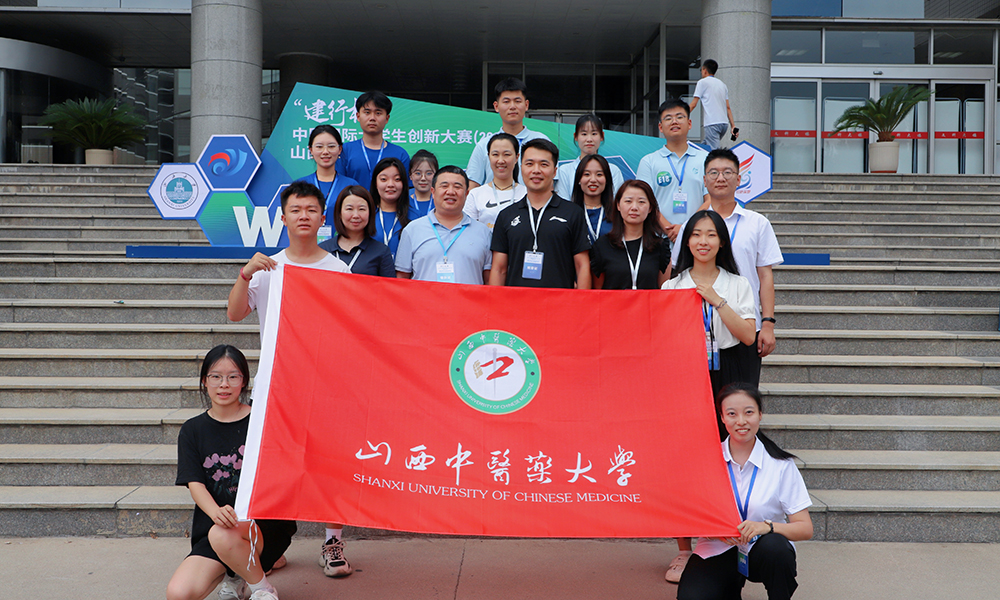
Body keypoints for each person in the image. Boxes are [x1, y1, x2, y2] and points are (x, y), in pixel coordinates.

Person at [225, 181, 354, 580]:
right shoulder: (268, 268)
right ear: (282, 218)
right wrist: (245, 274)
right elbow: (234, 314)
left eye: (311, 210)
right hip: (277, 386)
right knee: (275, 465)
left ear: (322, 218)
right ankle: (275, 543)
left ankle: (332, 542)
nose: (303, 216)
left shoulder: (338, 270)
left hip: (326, 385)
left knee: (330, 464)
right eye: (296, 210)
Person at [660, 208, 758, 583]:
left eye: (711, 234)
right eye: (696, 234)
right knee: (683, 461)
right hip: (684, 374)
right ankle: (684, 550)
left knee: (728, 457)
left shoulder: (738, 284)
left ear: (721, 242)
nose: (703, 241)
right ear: (687, 242)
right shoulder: (671, 287)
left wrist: (716, 300)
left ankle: (725, 542)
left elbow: (747, 336)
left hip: (727, 374)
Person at [166, 345, 296, 600]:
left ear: (244, 381)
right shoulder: (192, 430)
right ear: (204, 381)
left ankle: (262, 590)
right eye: (216, 376)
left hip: (262, 526)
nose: (224, 384)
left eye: (233, 376)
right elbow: (195, 484)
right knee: (178, 594)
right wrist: (216, 512)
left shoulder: (262, 421)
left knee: (223, 535)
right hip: (216, 525)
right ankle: (235, 575)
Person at [676, 383, 813, 600]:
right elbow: (683, 516)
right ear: (722, 417)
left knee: (777, 548)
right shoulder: (705, 461)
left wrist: (766, 527)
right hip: (717, 548)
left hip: (762, 550)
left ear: (760, 414)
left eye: (748, 412)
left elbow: (805, 528)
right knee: (692, 596)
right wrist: (710, 529)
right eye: (732, 414)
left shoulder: (781, 465)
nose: (741, 421)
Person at [672, 148, 783, 387]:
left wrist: (767, 323)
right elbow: (677, 270)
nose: (720, 178)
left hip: (744, 325)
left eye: (727, 172)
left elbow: (765, 277)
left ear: (739, 179)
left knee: (741, 396)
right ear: (704, 180)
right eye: (713, 173)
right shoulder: (690, 226)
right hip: (695, 331)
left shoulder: (757, 223)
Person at [489, 138, 591, 289]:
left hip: (559, 302)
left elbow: (582, 266)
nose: (536, 170)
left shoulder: (573, 213)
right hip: (516, 302)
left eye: (544, 164)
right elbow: (499, 269)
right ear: (521, 168)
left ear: (554, 171)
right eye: (529, 164)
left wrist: (582, 301)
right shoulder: (506, 215)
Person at [396, 166, 492, 284]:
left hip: (469, 297)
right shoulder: (412, 230)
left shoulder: (483, 232)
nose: (450, 192)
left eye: (457, 187)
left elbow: (489, 280)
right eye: (444, 186)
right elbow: (402, 278)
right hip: (424, 297)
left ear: (466, 193)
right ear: (433, 192)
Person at [637, 99, 710, 243]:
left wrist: (686, 228)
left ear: (689, 123)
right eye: (668, 118)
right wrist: (669, 230)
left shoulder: (705, 159)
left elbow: (710, 199)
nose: (674, 121)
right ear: (660, 127)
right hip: (659, 239)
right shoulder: (648, 162)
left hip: (697, 238)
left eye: (679, 117)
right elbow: (644, 201)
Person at [466, 78, 550, 188]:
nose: (512, 106)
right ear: (496, 106)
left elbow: (551, 183)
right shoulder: (484, 145)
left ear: (526, 105)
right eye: (506, 102)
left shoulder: (541, 141)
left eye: (517, 101)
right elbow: (473, 185)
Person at [590, 180, 671, 289]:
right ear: (618, 205)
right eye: (628, 201)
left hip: (649, 301)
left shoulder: (660, 246)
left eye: (641, 202)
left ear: (650, 208)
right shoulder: (603, 245)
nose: (634, 207)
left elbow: (664, 291)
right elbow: (598, 292)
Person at [339, 91, 410, 189]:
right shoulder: (345, 151)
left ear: (387, 118)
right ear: (358, 116)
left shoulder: (400, 154)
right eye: (367, 112)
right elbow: (339, 185)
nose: (372, 118)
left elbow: (406, 189)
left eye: (378, 113)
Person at [319, 186, 395, 277]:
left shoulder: (381, 251)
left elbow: (389, 285)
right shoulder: (322, 250)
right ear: (339, 213)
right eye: (349, 209)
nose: (355, 215)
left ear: (370, 213)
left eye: (361, 209)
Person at [295, 124, 359, 229]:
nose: (325, 152)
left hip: (342, 239)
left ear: (340, 149)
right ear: (311, 150)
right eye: (319, 147)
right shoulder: (300, 185)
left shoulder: (351, 185)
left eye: (331, 146)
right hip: (308, 239)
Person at [463, 132, 525, 230]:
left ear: (517, 157)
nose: (500, 160)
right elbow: (468, 231)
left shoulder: (526, 193)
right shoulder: (475, 195)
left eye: (507, 154)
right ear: (489, 156)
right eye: (495, 154)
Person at [554, 114, 624, 199]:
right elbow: (563, 203)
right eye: (584, 134)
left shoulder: (613, 170)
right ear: (576, 136)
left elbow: (616, 201)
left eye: (594, 134)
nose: (589, 139)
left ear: (602, 136)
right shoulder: (564, 171)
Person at [690, 59, 737, 150]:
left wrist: (682, 115)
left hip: (712, 123)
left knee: (714, 152)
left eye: (701, 70)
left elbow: (693, 104)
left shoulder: (702, 82)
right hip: (724, 124)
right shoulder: (722, 85)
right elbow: (727, 107)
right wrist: (733, 126)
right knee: (704, 147)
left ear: (705, 70)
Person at [370, 157, 410, 259]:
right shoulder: (367, 216)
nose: (391, 184)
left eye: (397, 179)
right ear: (375, 183)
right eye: (384, 179)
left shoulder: (416, 217)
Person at [570, 154, 615, 245]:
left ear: (607, 179)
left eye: (599, 174)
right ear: (579, 179)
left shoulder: (618, 213)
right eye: (587, 174)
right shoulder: (569, 213)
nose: (593, 180)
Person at [408, 149, 439, 220]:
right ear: (410, 175)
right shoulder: (403, 202)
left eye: (429, 173)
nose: (423, 178)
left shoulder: (441, 201)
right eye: (418, 173)